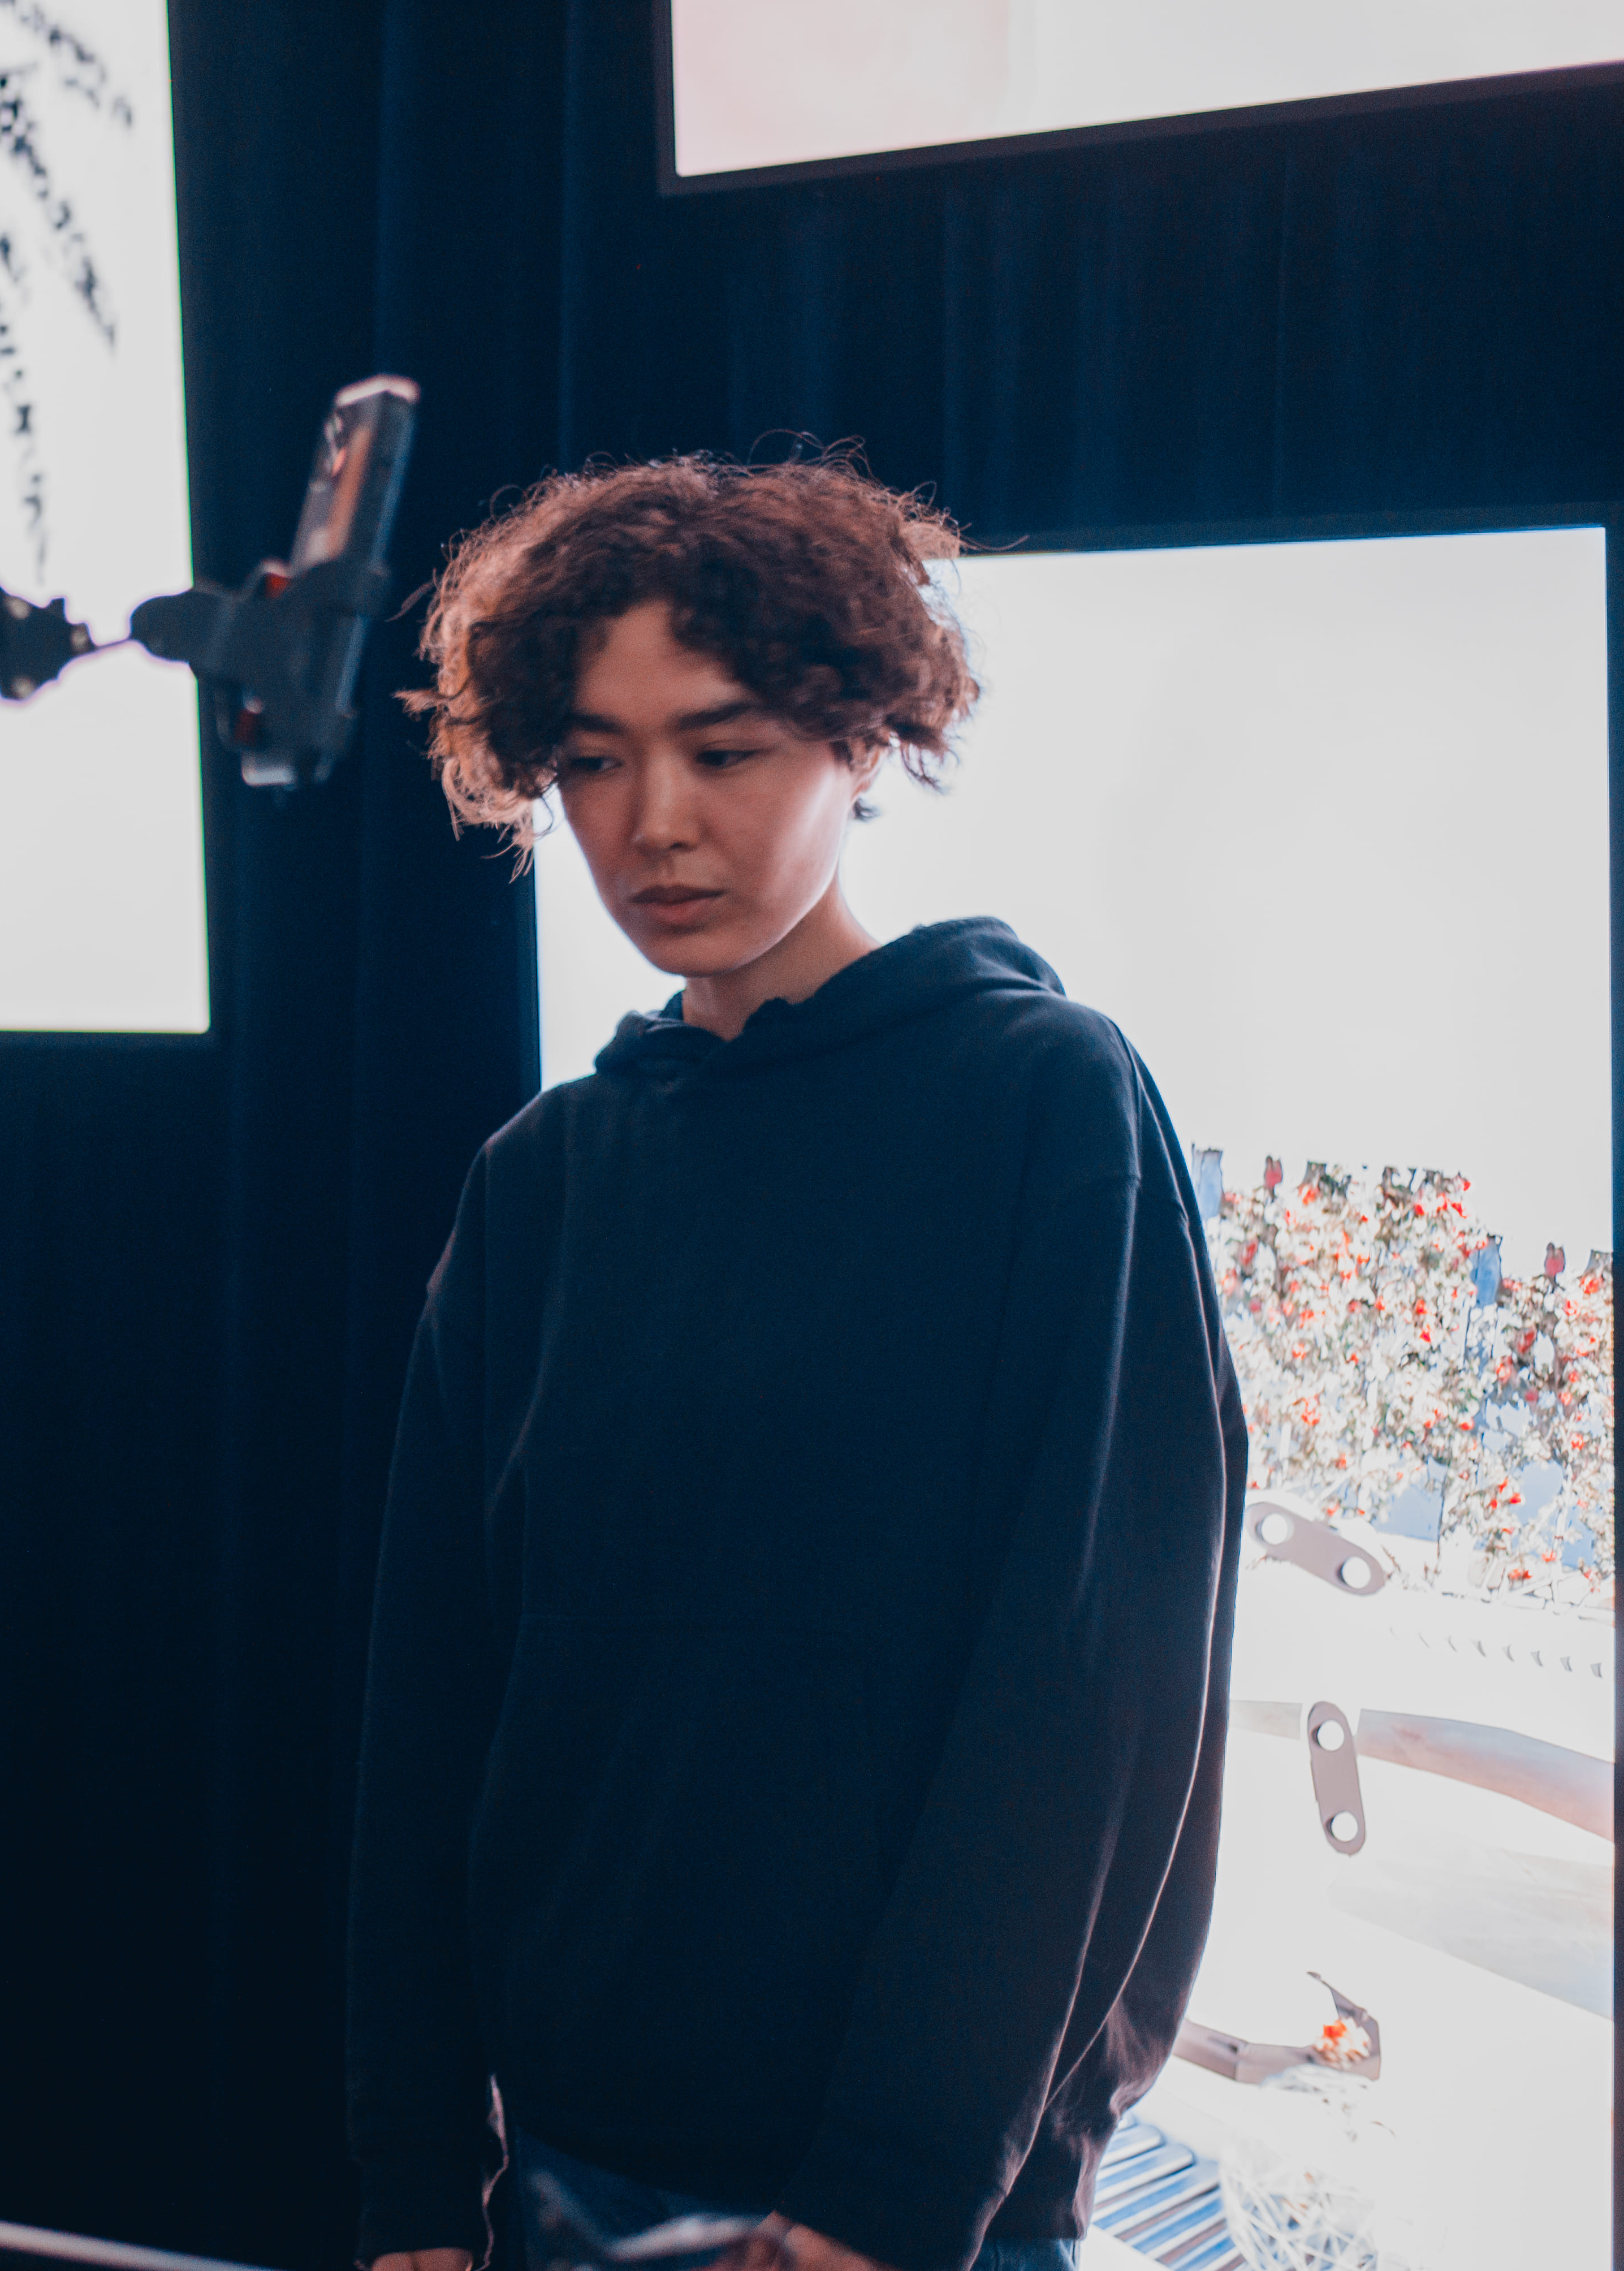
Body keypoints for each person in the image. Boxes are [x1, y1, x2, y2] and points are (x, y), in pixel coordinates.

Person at [345, 456, 1245, 2271]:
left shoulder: (1042, 1104)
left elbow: (1089, 1691)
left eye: (725, 747)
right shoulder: (544, 1178)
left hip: (905, 2202)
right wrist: (407, 2173)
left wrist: (896, 2188)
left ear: (861, 737)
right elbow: (430, 1702)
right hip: (567, 2173)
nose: (654, 824)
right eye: (594, 761)